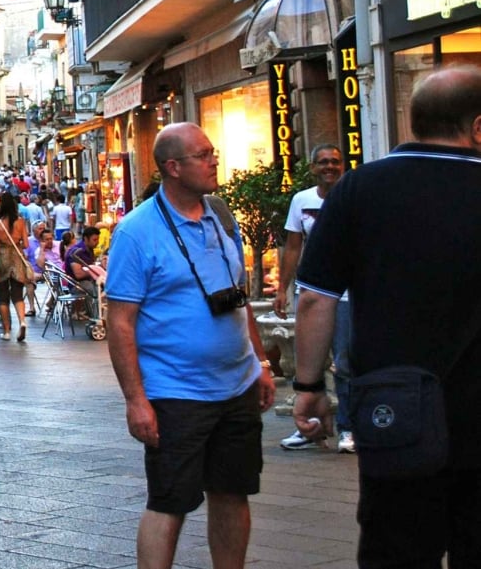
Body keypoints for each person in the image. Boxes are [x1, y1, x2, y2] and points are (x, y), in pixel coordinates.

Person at [292, 66, 481, 568]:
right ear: (478, 127)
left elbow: (315, 298)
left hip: (396, 411)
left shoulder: (359, 189)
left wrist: (309, 386)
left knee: (396, 551)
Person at [105, 124, 276, 569]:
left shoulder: (220, 215)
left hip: (237, 386)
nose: (214, 160)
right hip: (176, 392)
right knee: (170, 502)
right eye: (203, 155)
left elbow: (237, 296)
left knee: (233, 493)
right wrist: (136, 400)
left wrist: (260, 362)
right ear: (173, 167)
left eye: (212, 152)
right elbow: (120, 322)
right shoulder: (136, 232)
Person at [271, 144, 350, 453]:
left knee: (344, 361)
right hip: (310, 290)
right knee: (308, 362)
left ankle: (347, 428)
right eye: (323, 162)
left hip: (346, 294)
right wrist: (282, 288)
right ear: (313, 167)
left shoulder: (353, 196)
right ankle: (310, 427)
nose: (329, 166)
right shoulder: (301, 200)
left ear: (342, 165)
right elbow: (293, 247)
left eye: (335, 161)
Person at [0, 191, 33, 342]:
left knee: (2, 297)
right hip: (17, 258)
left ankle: (7, 331)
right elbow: (26, 244)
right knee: (17, 294)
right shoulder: (20, 222)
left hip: (2, 259)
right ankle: (22, 321)